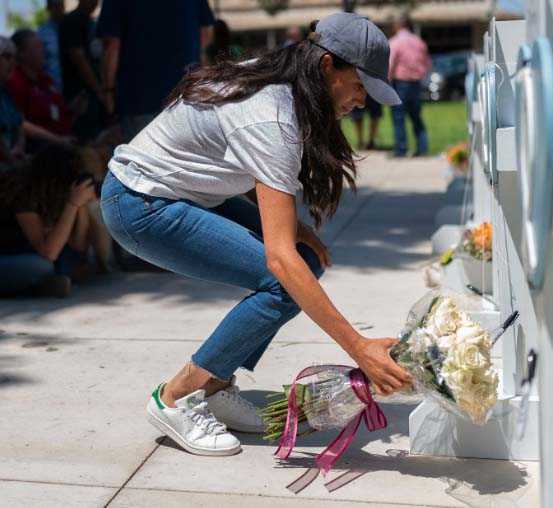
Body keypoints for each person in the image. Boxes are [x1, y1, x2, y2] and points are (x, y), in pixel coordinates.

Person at [100, 13, 408, 457]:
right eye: (361, 86)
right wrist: (358, 347)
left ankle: (216, 383)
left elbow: (230, 155)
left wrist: (294, 226)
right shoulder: (273, 117)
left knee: (306, 258)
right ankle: (176, 397)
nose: (362, 101)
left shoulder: (281, 84)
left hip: (178, 191)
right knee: (284, 279)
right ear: (327, 65)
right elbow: (280, 262)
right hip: (140, 204)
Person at [97, 0, 215, 142]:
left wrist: (108, 90)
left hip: (139, 96)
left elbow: (111, 46)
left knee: (142, 159)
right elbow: (206, 32)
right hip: (187, 95)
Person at [0, 145, 98, 298]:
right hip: (8, 255)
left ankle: (39, 285)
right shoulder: (23, 194)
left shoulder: (54, 199)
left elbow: (79, 246)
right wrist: (72, 205)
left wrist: (81, 206)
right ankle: (36, 287)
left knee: (80, 261)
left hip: (26, 254)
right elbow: (49, 252)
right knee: (42, 266)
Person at [8, 29, 76, 152]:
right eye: (37, 47)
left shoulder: (46, 80)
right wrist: (58, 140)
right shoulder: (14, 82)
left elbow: (61, 115)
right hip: (38, 153)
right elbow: (20, 123)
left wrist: (74, 109)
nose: (43, 51)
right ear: (21, 53)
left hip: (64, 144)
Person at [59, 0, 106, 142]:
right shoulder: (72, 20)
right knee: (85, 141)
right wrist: (98, 89)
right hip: (80, 94)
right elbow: (78, 56)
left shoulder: (91, 21)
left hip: (94, 93)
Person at [389, 15, 431, 157]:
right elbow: (427, 63)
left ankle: (401, 149)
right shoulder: (419, 42)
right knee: (416, 117)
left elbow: (390, 63)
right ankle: (422, 148)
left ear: (398, 25)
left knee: (398, 117)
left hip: (400, 83)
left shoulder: (395, 42)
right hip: (416, 83)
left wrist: (387, 81)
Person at [0, 37, 26, 166]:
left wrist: (19, 147)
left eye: (14, 58)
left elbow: (19, 125)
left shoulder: (6, 93)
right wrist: (11, 160)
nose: (13, 63)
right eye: (7, 57)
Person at [38, 0, 65, 92]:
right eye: (56, 5)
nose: (60, 9)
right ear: (49, 8)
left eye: (61, 5)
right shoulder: (42, 32)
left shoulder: (72, 27)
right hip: (54, 86)